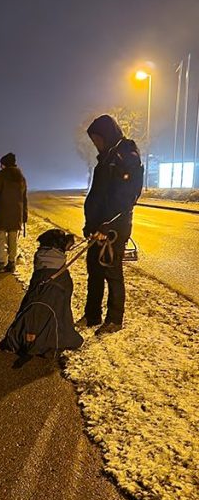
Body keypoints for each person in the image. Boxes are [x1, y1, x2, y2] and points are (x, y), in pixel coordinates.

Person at [78, 114, 143, 336]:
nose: (96, 143)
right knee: (94, 270)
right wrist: (91, 223)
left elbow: (127, 196)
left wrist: (108, 224)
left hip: (115, 228)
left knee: (112, 271)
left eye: (97, 138)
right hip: (99, 226)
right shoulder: (105, 158)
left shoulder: (126, 156)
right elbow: (97, 195)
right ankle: (92, 314)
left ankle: (114, 319)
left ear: (107, 135)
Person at [0, 152, 28, 273]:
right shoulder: (21, 177)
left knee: (0, 236)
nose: (0, 166)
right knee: (13, 238)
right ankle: (11, 263)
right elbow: (24, 198)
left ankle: (0, 263)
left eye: (2, 164)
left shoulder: (1, 175)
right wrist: (24, 215)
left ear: (5, 164)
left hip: (2, 211)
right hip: (17, 214)